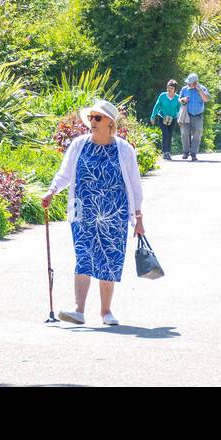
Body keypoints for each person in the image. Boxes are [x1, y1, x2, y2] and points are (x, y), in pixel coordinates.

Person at [41, 99, 144, 327]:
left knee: (109, 260)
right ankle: (78, 310)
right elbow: (65, 173)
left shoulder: (124, 149)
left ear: (110, 123)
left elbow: (135, 186)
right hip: (83, 213)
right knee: (84, 258)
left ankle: (106, 311)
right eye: (91, 118)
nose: (92, 122)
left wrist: (138, 219)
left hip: (114, 214)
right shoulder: (79, 145)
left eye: (98, 118)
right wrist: (52, 191)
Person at [149, 79, 183, 161]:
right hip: (162, 117)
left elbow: (179, 109)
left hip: (173, 118)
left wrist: (178, 118)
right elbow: (157, 106)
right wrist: (153, 117)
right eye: (168, 87)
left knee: (170, 134)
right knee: (165, 133)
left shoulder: (178, 98)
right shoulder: (162, 96)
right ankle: (164, 152)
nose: (169, 89)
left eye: (171, 88)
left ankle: (168, 152)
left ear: (175, 89)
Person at [179, 73, 209, 161]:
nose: (188, 84)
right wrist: (182, 100)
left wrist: (199, 90)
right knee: (184, 133)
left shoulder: (203, 89)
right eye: (188, 82)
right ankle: (185, 152)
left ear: (196, 82)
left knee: (197, 134)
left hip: (198, 115)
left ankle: (193, 153)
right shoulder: (184, 89)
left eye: (190, 82)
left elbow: (206, 99)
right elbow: (179, 99)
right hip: (186, 115)